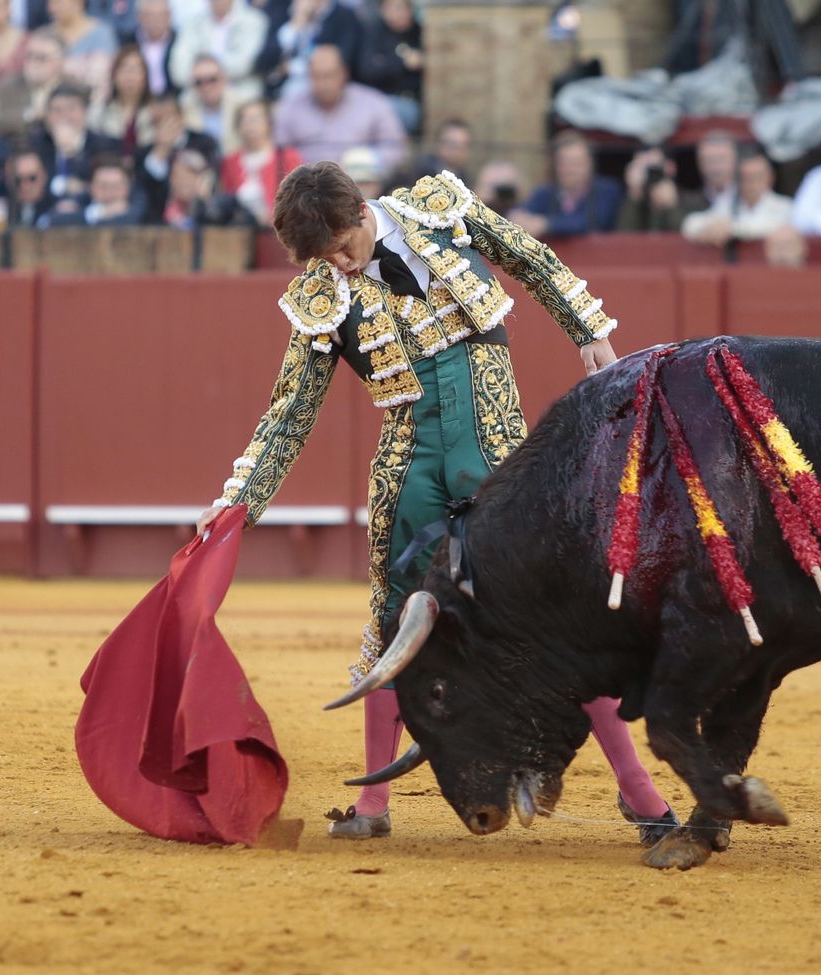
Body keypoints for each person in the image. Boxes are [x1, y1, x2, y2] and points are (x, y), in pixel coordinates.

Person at [193, 162, 678, 842]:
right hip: (409, 462)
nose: (337, 265)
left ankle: (640, 792)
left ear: (363, 212)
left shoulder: (438, 207)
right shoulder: (319, 297)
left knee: (556, 618)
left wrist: (587, 327)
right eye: (322, 258)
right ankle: (372, 805)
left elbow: (527, 256)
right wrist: (240, 500)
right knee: (394, 622)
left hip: (500, 457)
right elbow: (290, 412)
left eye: (340, 247)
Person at [273, 45, 406, 168]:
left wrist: (368, 160)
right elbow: (277, 153)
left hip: (359, 184)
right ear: (309, 76)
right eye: (317, 76)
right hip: (305, 185)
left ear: (344, 73)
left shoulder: (373, 103)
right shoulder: (290, 108)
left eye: (329, 75)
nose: (324, 83)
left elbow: (396, 149)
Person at [513, 129, 621, 238]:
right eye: (564, 163)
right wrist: (517, 218)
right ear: (555, 165)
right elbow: (520, 216)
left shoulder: (606, 190)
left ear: (590, 163)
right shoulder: (545, 193)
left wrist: (547, 224)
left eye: (576, 163)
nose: (570, 169)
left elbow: (592, 223)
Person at [681, 147, 793, 245]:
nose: (751, 183)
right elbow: (691, 223)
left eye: (757, 177)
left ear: (770, 178)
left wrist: (732, 230)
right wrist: (706, 229)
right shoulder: (728, 203)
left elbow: (771, 227)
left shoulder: (784, 206)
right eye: (745, 178)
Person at [135, 90, 219, 218]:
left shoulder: (204, 142)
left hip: (200, 214)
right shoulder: (144, 152)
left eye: (168, 118)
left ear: (181, 117)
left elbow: (212, 175)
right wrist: (161, 149)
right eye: (157, 121)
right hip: (160, 219)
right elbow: (146, 189)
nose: (164, 125)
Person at [220, 98, 300, 224]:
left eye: (255, 119)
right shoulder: (230, 162)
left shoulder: (287, 157)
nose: (250, 125)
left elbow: (298, 200)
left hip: (276, 231)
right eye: (244, 120)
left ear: (269, 123)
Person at [169, 0, 267, 103]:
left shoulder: (253, 20)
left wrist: (206, 71)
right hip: (198, 93)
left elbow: (245, 64)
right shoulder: (193, 24)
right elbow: (178, 70)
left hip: (240, 90)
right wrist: (206, 79)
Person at [354, 0, 422, 134]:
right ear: (383, 10)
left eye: (405, 8)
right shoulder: (374, 32)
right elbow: (368, 71)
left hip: (408, 103)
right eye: (395, 8)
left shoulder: (419, 33)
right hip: (376, 99)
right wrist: (402, 63)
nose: (401, 13)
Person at [0, 28, 62, 138]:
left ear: (60, 61)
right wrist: (31, 114)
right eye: (29, 56)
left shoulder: (71, 86)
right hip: (18, 148)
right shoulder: (10, 84)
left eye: (41, 58)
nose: (33, 62)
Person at [161, 144, 252, 227]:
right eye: (178, 176)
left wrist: (204, 200)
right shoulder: (165, 209)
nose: (183, 182)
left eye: (190, 175)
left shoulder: (220, 207)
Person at [43, 152, 143, 225]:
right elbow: (47, 222)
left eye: (115, 186)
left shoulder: (138, 202)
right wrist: (98, 213)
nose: (109, 192)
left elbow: (135, 218)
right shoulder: (82, 201)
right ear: (91, 187)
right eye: (103, 186)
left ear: (127, 187)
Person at [89, 44, 155, 155]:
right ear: (114, 75)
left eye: (135, 70)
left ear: (145, 76)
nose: (130, 77)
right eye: (124, 70)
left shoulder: (156, 111)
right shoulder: (100, 110)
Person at [48, 0, 117, 97]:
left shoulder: (101, 34)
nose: (52, 8)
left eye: (58, 2)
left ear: (78, 2)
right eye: (50, 3)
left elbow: (102, 76)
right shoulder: (45, 33)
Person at [616, 145, 691, 232]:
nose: (650, 175)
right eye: (643, 168)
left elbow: (687, 236)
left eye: (654, 168)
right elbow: (623, 237)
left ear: (671, 168)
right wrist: (634, 193)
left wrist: (671, 206)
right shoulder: (628, 201)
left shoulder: (690, 201)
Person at [179, 54, 239, 151]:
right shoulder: (184, 109)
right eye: (199, 82)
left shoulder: (240, 105)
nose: (206, 87)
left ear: (224, 79)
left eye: (212, 80)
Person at [127, 0, 177, 98]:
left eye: (160, 15)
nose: (155, 21)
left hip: (172, 99)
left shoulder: (179, 41)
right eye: (150, 16)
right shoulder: (128, 43)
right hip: (140, 99)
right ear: (139, 17)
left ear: (169, 16)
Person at [5, 146, 53, 226]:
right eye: (18, 180)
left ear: (44, 176)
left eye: (32, 178)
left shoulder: (55, 209)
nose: (25, 186)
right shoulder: (6, 210)